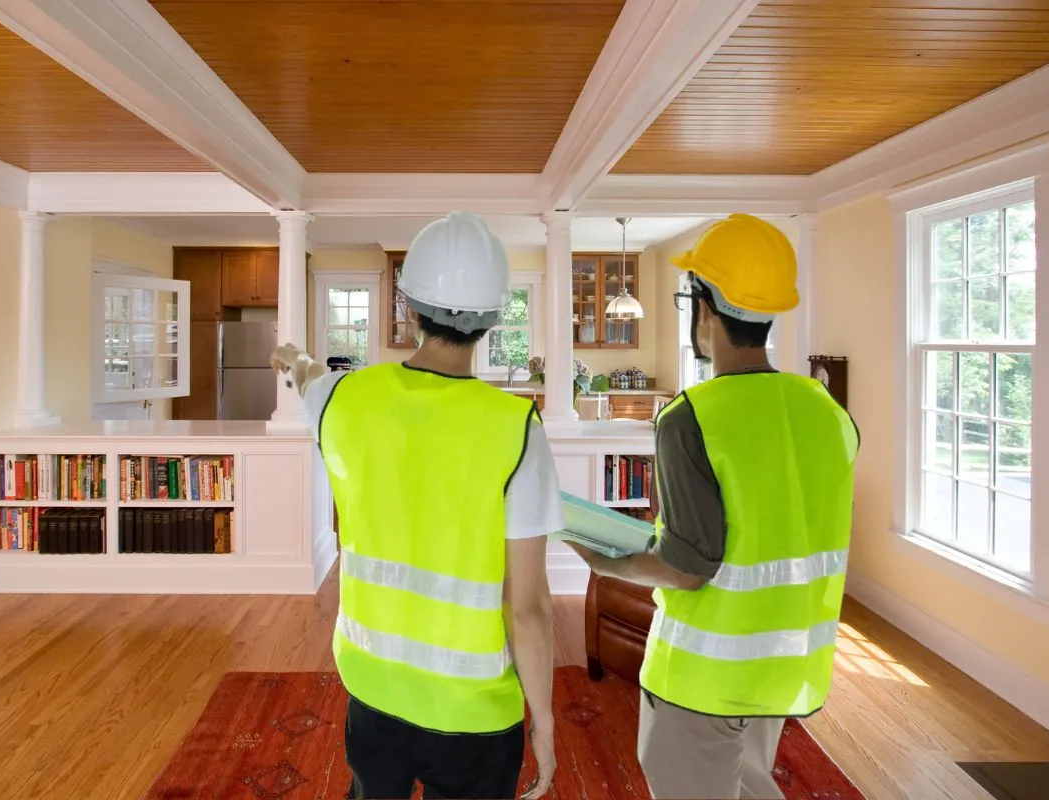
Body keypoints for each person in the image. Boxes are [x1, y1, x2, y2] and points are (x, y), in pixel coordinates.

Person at [566, 213, 859, 800]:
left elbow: (686, 566)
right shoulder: (827, 412)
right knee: (748, 786)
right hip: (784, 658)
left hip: (703, 672)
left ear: (704, 307)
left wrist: (605, 561)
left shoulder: (691, 417)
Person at [271, 211, 561, 800]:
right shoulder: (517, 429)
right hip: (474, 711)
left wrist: (292, 357)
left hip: (373, 688)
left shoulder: (341, 398)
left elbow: (306, 376)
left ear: (408, 309)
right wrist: (546, 721)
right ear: (494, 318)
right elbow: (527, 608)